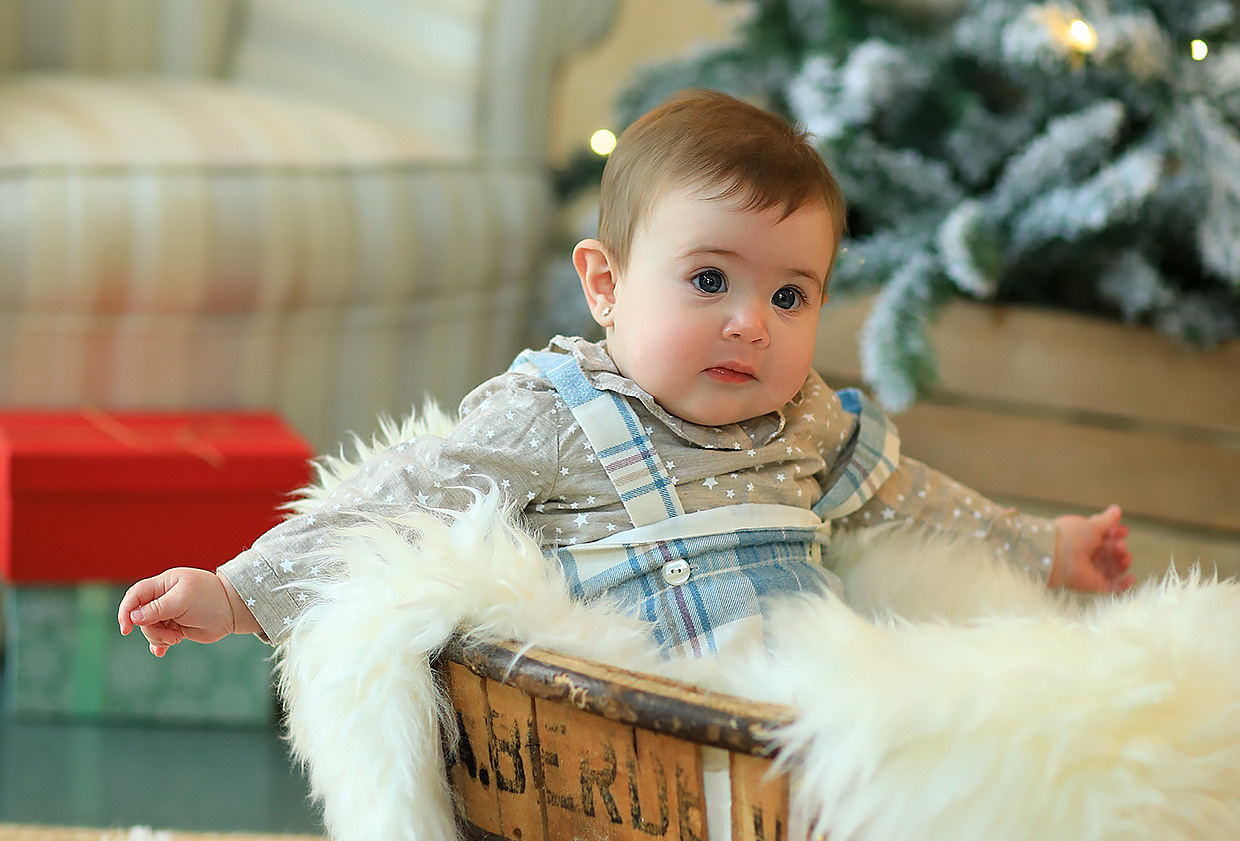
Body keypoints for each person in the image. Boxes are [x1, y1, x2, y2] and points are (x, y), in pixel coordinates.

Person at [118, 89, 1133, 661]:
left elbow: (913, 502)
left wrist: (1045, 547)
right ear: (605, 286)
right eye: (709, 280)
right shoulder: (556, 414)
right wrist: (238, 590)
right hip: (642, 731)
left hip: (814, 708)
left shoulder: (808, 419)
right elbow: (399, 497)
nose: (751, 324)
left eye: (790, 296)